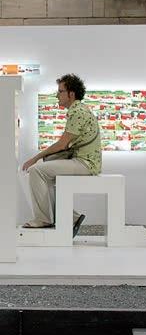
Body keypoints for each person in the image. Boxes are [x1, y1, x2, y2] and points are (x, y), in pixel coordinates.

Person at [21, 74, 102, 236]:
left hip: (85, 164)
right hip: (84, 161)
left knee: (37, 170)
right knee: (45, 174)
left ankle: (43, 219)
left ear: (71, 94)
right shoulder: (79, 109)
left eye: (60, 91)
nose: (57, 95)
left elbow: (62, 144)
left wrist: (35, 158)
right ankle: (72, 217)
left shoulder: (77, 112)